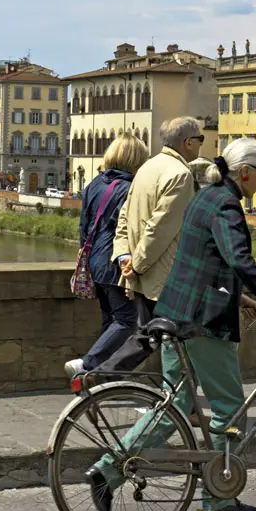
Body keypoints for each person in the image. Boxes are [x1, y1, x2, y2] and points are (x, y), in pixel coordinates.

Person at [85, 137, 256, 511]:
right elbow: (238, 260)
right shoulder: (226, 204)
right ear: (246, 172)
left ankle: (108, 470)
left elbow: (206, 262)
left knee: (173, 406)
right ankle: (219, 501)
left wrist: (246, 301)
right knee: (229, 410)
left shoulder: (205, 197)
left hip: (175, 311)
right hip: (203, 322)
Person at [93, 117, 204, 420]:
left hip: (143, 273)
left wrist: (124, 258)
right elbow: (160, 229)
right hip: (164, 277)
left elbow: (124, 219)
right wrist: (137, 266)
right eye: (201, 139)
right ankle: (179, 409)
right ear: (188, 142)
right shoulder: (180, 174)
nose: (201, 144)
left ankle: (98, 378)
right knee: (179, 340)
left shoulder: (146, 168)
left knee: (150, 337)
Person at [64, 133, 149, 377]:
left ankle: (102, 379)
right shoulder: (130, 189)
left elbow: (84, 227)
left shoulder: (94, 184)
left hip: (94, 261)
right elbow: (131, 230)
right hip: (115, 262)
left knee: (110, 320)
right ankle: (87, 365)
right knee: (126, 320)